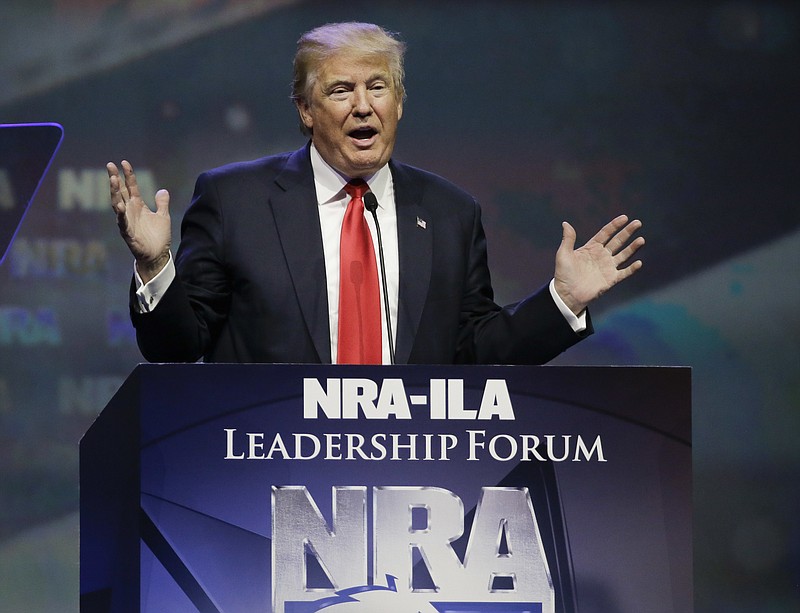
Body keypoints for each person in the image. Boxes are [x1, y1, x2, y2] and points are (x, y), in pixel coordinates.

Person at [107, 21, 644, 365]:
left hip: (408, 479)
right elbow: (177, 349)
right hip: (265, 470)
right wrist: (156, 266)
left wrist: (562, 302)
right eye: (341, 91)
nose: (363, 106)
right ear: (305, 111)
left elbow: (476, 350)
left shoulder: (450, 212)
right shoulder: (235, 200)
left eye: (378, 88)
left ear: (400, 102)